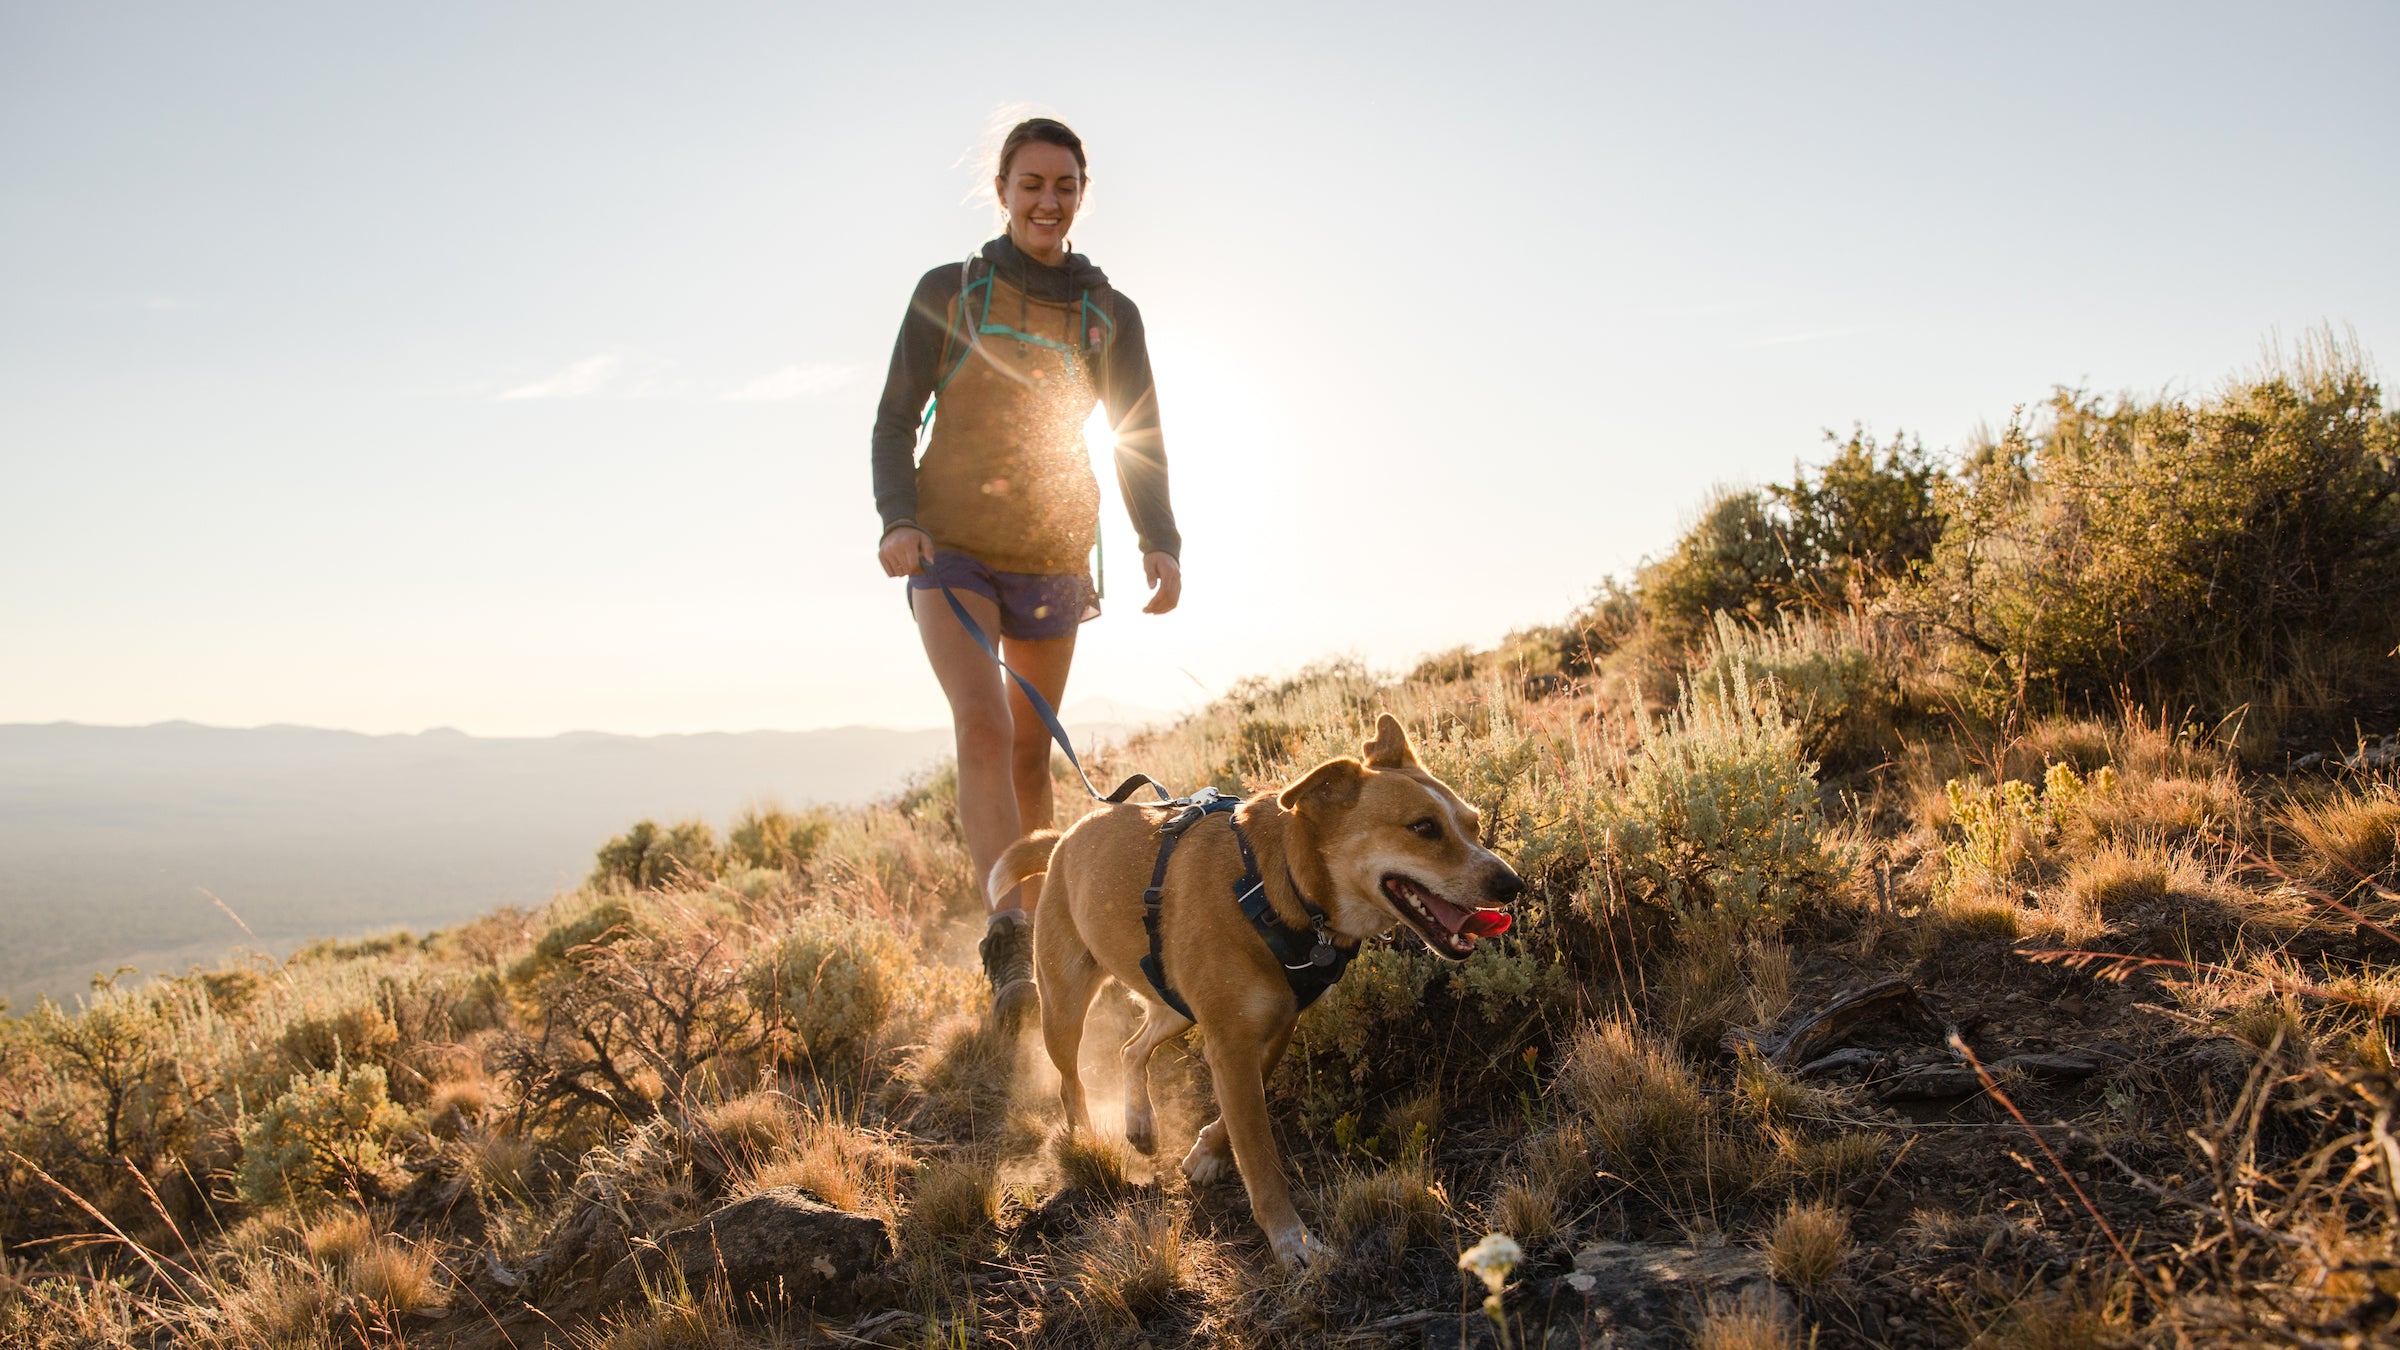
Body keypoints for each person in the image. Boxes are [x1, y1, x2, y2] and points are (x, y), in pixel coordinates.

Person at [870, 117, 1182, 1030]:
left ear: (1082, 194)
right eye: (1032, 183)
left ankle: (1051, 933)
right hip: (950, 548)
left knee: (1028, 748)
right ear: (1001, 190)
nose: (1048, 200)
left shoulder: (1109, 314)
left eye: (1065, 185)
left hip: (1052, 548)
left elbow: (1139, 435)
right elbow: (895, 420)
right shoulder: (949, 292)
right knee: (978, 722)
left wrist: (1157, 539)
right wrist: (898, 520)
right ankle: (1009, 936)